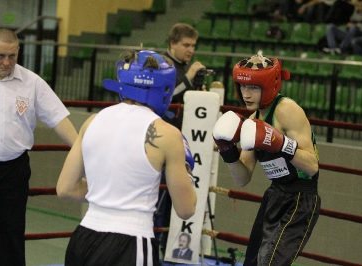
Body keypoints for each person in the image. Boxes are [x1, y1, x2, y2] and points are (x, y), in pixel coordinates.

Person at [56, 50, 197, 266]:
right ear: (164, 89)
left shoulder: (92, 121)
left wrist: (108, 194)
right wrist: (187, 172)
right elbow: (186, 209)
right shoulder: (167, 135)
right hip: (131, 242)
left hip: (84, 238)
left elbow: (66, 188)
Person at [212, 55, 321, 265]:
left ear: (269, 85)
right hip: (274, 195)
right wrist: (227, 151)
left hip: (300, 198)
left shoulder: (286, 110)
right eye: (242, 86)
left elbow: (312, 166)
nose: (246, 94)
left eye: (253, 87)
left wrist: (280, 144)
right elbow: (242, 178)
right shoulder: (253, 121)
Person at [0, 28, 77, 266]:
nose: (6, 62)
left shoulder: (32, 83)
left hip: (13, 170)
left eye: (12, 56)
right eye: (0, 55)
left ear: (18, 52)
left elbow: (58, 120)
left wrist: (83, 151)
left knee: (11, 233)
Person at [155, 22, 206, 257]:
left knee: (175, 196)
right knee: (158, 198)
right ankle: (153, 248)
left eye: (193, 45)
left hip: (181, 141)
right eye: (186, 45)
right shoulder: (161, 64)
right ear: (172, 44)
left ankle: (168, 248)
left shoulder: (184, 68)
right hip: (160, 141)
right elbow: (164, 98)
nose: (190, 50)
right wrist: (189, 77)